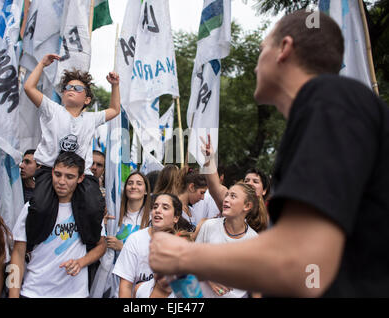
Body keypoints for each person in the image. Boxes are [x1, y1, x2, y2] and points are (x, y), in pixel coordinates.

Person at [149, 10, 389, 297]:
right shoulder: (320, 112)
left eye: (263, 50)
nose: (254, 67)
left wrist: (184, 257)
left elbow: (302, 262)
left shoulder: (331, 101)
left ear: (284, 49)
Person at [23, 54, 117, 285]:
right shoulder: (52, 110)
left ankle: (89, 247)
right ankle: (31, 246)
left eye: (77, 88)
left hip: (81, 176)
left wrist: (115, 86)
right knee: (41, 207)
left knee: (95, 205)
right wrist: (42, 65)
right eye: (67, 87)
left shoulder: (91, 119)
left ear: (86, 99)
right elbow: (28, 86)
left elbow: (114, 109)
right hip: (49, 171)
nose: (70, 90)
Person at [9, 152, 107, 298]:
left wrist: (81, 262)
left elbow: (102, 245)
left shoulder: (88, 209)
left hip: (75, 294)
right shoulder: (32, 208)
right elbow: (17, 253)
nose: (61, 181)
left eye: (69, 177)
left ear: (80, 178)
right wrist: (13, 295)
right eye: (58, 174)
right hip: (34, 292)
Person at [113, 193, 192, 298]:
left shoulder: (181, 244)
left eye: (165, 207)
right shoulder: (135, 239)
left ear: (176, 218)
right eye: (155, 207)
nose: (158, 210)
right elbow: (126, 286)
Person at [195, 182, 263, 298]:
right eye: (226, 195)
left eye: (233, 196)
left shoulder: (254, 240)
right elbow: (192, 261)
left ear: (247, 206)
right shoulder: (209, 226)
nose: (226, 199)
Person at [105, 171, 152, 253]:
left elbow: (149, 254)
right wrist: (103, 225)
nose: (133, 186)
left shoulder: (151, 218)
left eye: (139, 184)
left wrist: (122, 248)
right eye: (130, 183)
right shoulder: (113, 213)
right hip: (110, 265)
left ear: (146, 191)